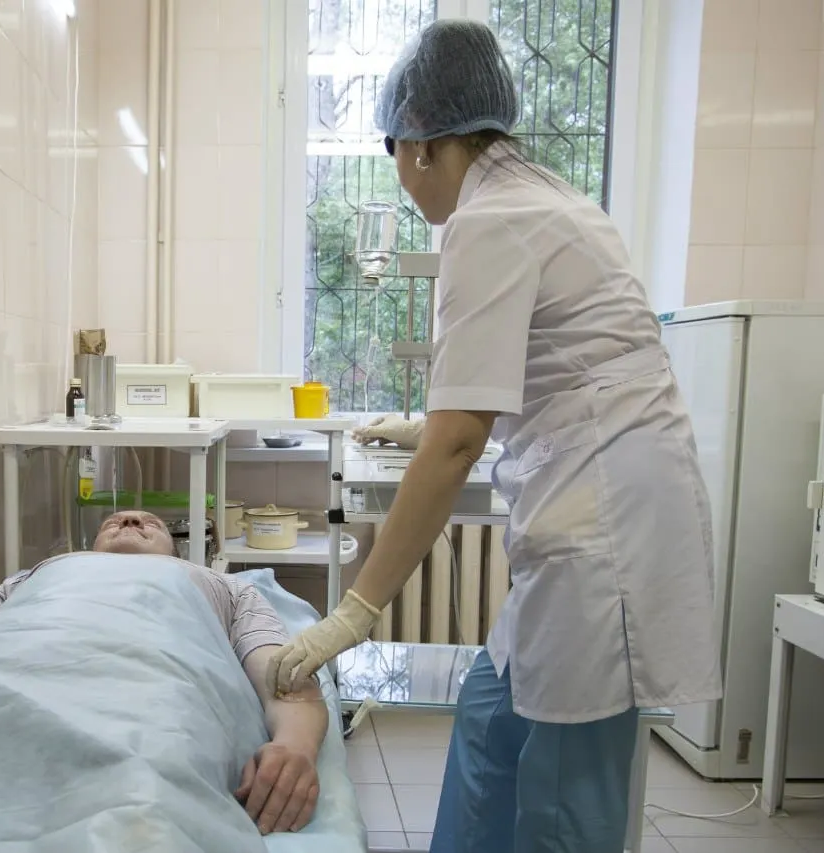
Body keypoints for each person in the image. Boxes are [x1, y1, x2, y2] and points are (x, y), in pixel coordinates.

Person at [266, 19, 721, 853]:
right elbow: (556, 371)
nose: (403, 178)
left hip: (602, 533)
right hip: (599, 498)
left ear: (420, 144)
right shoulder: (549, 201)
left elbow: (458, 444)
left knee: (563, 787)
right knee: (487, 717)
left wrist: (357, 612)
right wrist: (426, 421)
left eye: (394, 154)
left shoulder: (492, 220)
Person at [0, 510, 329, 836]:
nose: (131, 521)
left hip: (154, 701)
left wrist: (295, 744)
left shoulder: (225, 587)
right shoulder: (37, 575)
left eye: (151, 523)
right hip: (24, 683)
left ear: (174, 554)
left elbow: (280, 671)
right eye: (113, 522)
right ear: (90, 547)